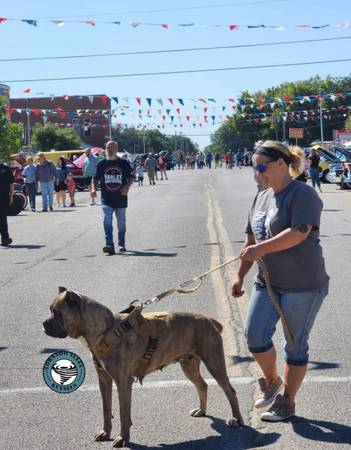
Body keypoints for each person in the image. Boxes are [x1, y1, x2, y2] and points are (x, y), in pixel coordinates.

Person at [231, 140, 329, 422]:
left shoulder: (302, 194)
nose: (258, 172)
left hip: (304, 285)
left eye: (261, 166)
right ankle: (273, 382)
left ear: (281, 164)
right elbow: (251, 239)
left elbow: (299, 232)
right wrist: (239, 275)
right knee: (255, 335)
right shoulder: (261, 197)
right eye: (254, 167)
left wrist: (259, 250)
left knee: (295, 345)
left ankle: (287, 402)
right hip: (268, 282)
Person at [95, 140, 134, 255]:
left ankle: (121, 244)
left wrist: (127, 187)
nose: (109, 150)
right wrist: (93, 188)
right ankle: (109, 245)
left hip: (121, 198)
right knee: (107, 219)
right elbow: (96, 178)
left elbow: (131, 177)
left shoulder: (123, 163)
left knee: (121, 223)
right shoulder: (101, 164)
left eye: (112, 147)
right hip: (106, 198)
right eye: (107, 147)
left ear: (116, 149)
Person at [0, 160, 14, 246]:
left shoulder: (6, 169)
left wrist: (12, 196)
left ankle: (5, 238)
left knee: (2, 218)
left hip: (4, 197)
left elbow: (11, 183)